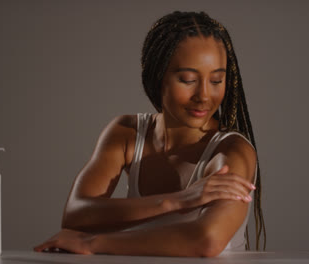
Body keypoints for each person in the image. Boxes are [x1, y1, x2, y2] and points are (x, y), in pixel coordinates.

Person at [34, 11, 266, 257]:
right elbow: (76, 215)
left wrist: (91, 244)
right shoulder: (126, 133)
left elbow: (206, 241)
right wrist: (178, 200)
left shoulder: (232, 152)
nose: (204, 96)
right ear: (157, 77)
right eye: (188, 79)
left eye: (217, 80)